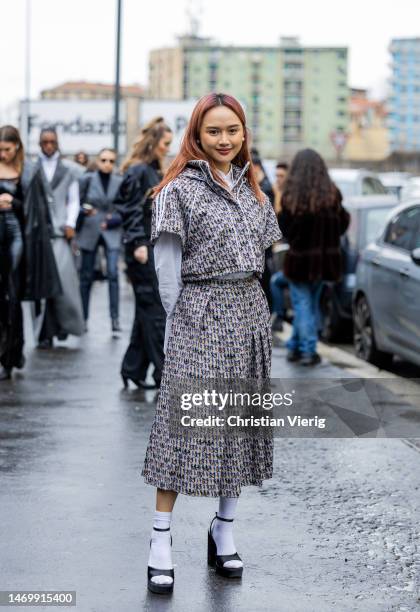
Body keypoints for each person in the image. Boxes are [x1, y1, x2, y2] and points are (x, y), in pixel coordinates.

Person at [142, 93, 281, 594]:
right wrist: (179, 328)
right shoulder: (177, 191)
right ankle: (160, 541)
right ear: (197, 136)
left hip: (248, 311)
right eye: (214, 132)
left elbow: (265, 255)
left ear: (244, 133)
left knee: (238, 426)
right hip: (198, 314)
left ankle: (224, 532)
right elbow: (167, 273)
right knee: (183, 428)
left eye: (233, 131)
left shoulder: (254, 191)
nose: (225, 140)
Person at [278, 148, 350, 366]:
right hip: (324, 263)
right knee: (308, 305)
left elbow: (284, 230)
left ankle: (307, 350)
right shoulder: (331, 194)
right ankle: (294, 347)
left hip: (299, 262)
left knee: (303, 305)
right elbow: (343, 223)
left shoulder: (291, 197)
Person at [115, 118, 172, 389]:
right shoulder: (139, 172)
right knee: (154, 310)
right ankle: (163, 373)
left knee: (146, 310)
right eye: (165, 144)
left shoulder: (150, 171)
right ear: (154, 143)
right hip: (142, 248)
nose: (167, 149)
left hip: (149, 246)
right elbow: (128, 208)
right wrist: (138, 242)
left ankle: (133, 369)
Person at [0, 125, 61, 380]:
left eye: (7, 149)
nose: (3, 154)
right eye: (0, 149)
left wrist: (10, 202)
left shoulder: (28, 171)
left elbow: (33, 210)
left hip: (17, 237)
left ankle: (11, 355)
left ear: (17, 147)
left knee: (11, 297)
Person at [35, 127, 84, 348]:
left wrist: (70, 223)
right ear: (39, 143)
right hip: (38, 234)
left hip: (60, 234)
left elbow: (74, 200)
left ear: (57, 143)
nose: (48, 146)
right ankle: (45, 332)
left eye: (52, 142)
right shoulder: (32, 168)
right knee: (42, 284)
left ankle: (64, 326)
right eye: (44, 142)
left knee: (64, 282)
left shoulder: (69, 170)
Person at [77, 148, 123, 333]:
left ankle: (115, 319)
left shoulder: (120, 181)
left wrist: (114, 220)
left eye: (111, 161)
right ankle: (83, 318)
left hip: (111, 230)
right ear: (97, 160)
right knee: (86, 276)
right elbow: (76, 204)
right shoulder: (86, 179)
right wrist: (84, 210)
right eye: (104, 160)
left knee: (113, 273)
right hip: (90, 228)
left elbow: (124, 207)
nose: (107, 164)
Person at [270, 162, 289, 332]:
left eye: (281, 176)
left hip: (288, 249)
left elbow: (279, 218)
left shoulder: (289, 195)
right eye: (276, 176)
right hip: (280, 248)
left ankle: (280, 315)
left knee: (277, 282)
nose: (278, 180)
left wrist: (277, 196)